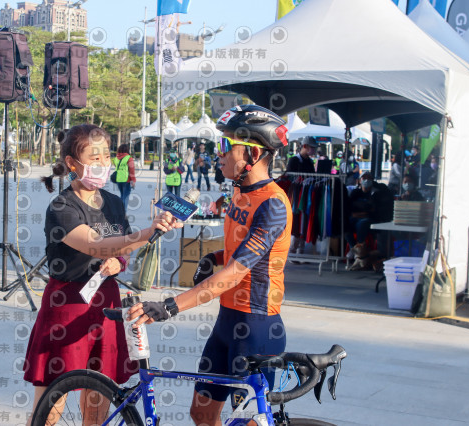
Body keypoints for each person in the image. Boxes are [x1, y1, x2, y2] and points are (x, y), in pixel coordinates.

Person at [127, 104, 292, 426]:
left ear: (254, 154)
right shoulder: (239, 191)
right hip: (227, 324)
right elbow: (238, 247)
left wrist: (171, 306)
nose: (219, 153)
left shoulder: (273, 204)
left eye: (227, 145)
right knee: (201, 414)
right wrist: (212, 257)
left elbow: (234, 273)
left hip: (257, 328)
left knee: (247, 422)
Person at [23, 124, 180, 426]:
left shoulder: (114, 202)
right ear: (72, 163)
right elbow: (96, 245)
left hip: (106, 304)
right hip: (67, 304)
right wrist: (147, 232)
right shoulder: (62, 206)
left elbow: (121, 246)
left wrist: (120, 261)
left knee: (100, 398)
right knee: (52, 399)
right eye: (94, 158)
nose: (103, 164)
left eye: (106, 156)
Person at [345, 171, 377, 259]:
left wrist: (360, 214)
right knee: (344, 223)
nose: (366, 180)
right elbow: (349, 208)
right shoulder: (355, 192)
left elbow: (372, 211)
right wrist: (359, 214)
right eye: (364, 178)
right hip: (354, 217)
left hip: (369, 219)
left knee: (362, 224)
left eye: (368, 178)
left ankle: (360, 247)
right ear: (359, 180)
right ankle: (353, 248)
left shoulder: (374, 193)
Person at [113, 143, 136, 212]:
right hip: (126, 180)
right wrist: (133, 180)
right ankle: (123, 212)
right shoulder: (129, 158)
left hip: (118, 179)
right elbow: (131, 170)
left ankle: (120, 211)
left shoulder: (116, 158)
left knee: (122, 195)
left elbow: (115, 165)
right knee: (125, 197)